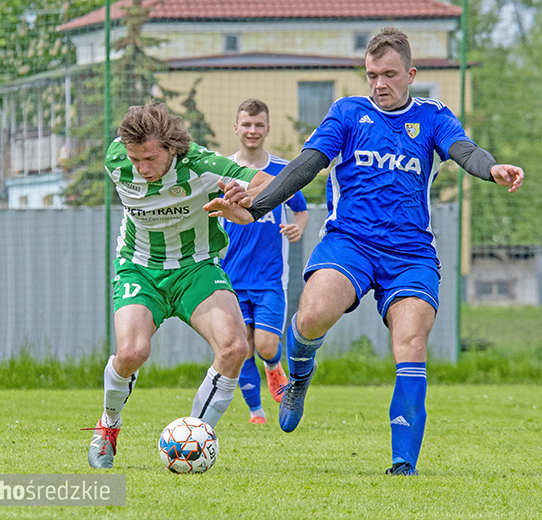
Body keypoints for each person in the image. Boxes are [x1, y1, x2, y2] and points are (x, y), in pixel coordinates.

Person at [206, 27, 524, 476]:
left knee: (412, 343)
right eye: (372, 74)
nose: (379, 83)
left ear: (411, 74)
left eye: (389, 74)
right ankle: (298, 375)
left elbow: (464, 150)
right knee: (313, 314)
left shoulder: (432, 116)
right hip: (349, 243)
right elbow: (306, 165)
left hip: (411, 253)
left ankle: (403, 464)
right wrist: (258, 207)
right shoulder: (347, 112)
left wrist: (492, 168)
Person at [84, 102, 272, 469]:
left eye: (150, 159)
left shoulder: (201, 165)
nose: (141, 168)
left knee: (235, 348)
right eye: (135, 159)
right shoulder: (116, 158)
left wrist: (245, 202)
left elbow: (264, 182)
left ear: (172, 147)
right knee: (132, 352)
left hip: (195, 269)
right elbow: (131, 159)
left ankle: (195, 438)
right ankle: (107, 426)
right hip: (139, 268)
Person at [222, 99, 309, 424]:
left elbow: (301, 210)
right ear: (236, 128)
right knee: (241, 347)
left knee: (266, 344)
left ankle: (273, 366)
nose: (252, 130)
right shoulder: (225, 170)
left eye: (258, 125)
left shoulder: (282, 171)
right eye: (246, 124)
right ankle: (256, 412)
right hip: (230, 277)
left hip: (270, 278)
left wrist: (296, 228)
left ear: (268, 129)